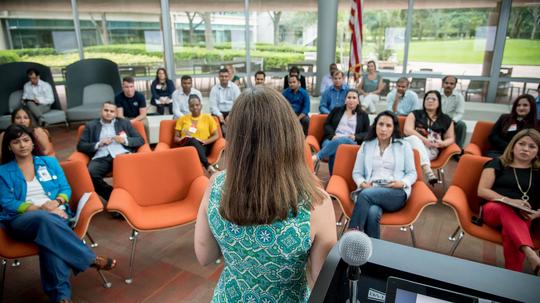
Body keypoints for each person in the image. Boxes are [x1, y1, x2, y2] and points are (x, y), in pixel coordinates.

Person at [194, 86, 336, 302]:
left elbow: (205, 256)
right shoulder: (316, 201)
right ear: (290, 134)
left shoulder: (215, 185)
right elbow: (322, 282)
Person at [0, 124, 116, 303]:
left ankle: (62, 298)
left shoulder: (49, 163)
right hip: (21, 221)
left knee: (49, 239)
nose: (22, 145)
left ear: (32, 143)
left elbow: (65, 188)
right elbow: (8, 203)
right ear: (9, 146)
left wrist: (56, 203)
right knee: (44, 219)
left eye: (26, 140)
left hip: (56, 215)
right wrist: (40, 209)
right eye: (16, 142)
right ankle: (89, 258)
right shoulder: (3, 172)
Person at [477, 129, 540, 274]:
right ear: (513, 145)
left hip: (524, 217)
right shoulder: (497, 163)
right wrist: (510, 201)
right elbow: (482, 190)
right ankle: (529, 253)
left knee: (512, 230)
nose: (525, 149)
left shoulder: (538, 172)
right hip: (493, 210)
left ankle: (512, 276)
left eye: (532, 146)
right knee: (505, 208)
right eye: (521, 144)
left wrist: (537, 214)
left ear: (538, 151)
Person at [348, 111, 417, 238]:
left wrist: (402, 183)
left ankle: (352, 235)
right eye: (380, 124)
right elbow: (357, 172)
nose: (383, 129)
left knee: (364, 195)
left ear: (394, 128)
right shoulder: (366, 145)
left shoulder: (404, 146)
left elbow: (412, 173)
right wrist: (362, 183)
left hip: (395, 192)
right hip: (372, 188)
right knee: (373, 213)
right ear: (375, 126)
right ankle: (372, 252)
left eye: (388, 125)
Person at [76, 102, 144, 204]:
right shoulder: (90, 125)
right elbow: (81, 146)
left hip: (121, 155)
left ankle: (130, 201)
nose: (108, 113)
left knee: (128, 174)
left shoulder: (124, 123)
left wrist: (124, 141)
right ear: (101, 111)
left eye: (112, 111)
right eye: (106, 110)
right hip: (101, 156)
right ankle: (115, 199)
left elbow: (140, 140)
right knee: (89, 174)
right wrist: (98, 144)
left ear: (116, 113)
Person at [312, 89, 370, 174]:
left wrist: (355, 137)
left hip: (351, 142)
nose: (351, 100)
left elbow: (367, 133)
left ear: (358, 101)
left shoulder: (363, 115)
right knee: (336, 148)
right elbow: (327, 124)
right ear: (345, 100)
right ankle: (333, 177)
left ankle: (317, 157)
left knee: (344, 140)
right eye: (349, 97)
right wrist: (332, 135)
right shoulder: (336, 110)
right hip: (332, 139)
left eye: (354, 98)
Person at [403, 90, 455, 185]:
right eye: (427, 99)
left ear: (439, 102)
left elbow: (451, 138)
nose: (430, 101)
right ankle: (428, 172)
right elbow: (407, 130)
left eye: (433, 99)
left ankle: (412, 183)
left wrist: (442, 143)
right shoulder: (415, 114)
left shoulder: (446, 119)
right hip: (410, 147)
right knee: (413, 139)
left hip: (430, 150)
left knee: (417, 154)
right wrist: (425, 140)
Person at [174, 95, 219, 174]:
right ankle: (208, 166)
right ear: (189, 107)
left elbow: (216, 135)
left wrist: (205, 141)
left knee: (194, 142)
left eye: (197, 105)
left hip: (203, 146)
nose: (195, 107)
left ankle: (205, 167)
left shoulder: (208, 118)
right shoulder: (182, 119)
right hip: (186, 146)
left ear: (201, 106)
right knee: (192, 140)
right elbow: (176, 138)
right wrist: (181, 139)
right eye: (192, 106)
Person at [440, 75, 467, 149]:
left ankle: (458, 149)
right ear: (443, 84)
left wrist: (453, 121)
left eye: (451, 84)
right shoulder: (437, 94)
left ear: (455, 85)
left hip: (451, 121)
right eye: (446, 83)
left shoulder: (459, 97)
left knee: (461, 125)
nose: (449, 85)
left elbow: (460, 113)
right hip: (437, 119)